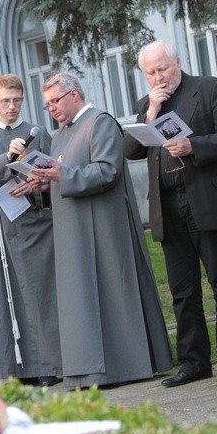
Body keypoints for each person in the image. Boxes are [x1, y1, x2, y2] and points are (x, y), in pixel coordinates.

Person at [28, 72, 173, 389]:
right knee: (80, 299)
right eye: (48, 104)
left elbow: (107, 170)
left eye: (55, 101)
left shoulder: (100, 122)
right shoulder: (61, 135)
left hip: (103, 227)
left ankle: (122, 366)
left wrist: (62, 174)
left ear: (74, 95)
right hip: (72, 230)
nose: (51, 108)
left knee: (108, 293)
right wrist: (44, 181)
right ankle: (86, 369)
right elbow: (63, 174)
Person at [123, 40, 217, 387]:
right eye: (150, 72)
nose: (158, 76)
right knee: (183, 290)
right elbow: (130, 150)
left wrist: (195, 145)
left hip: (205, 198)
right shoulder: (147, 103)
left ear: (177, 62)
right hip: (167, 205)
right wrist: (149, 114)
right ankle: (195, 362)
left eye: (163, 68)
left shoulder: (208, 88)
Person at [0, 74, 62, 387]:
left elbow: (53, 174)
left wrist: (37, 185)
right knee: (7, 295)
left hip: (36, 222)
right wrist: (9, 156)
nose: (12, 106)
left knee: (41, 293)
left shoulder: (38, 131)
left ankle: (49, 365)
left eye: (17, 100)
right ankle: (14, 368)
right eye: (5, 101)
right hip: (2, 223)